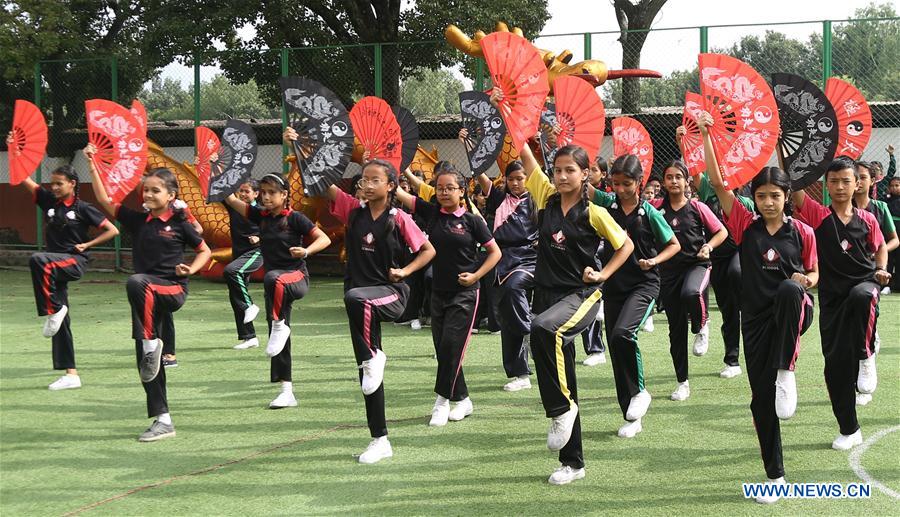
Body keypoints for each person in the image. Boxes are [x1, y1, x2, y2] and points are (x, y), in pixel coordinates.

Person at [508, 93, 633, 484]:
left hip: (580, 296)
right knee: (554, 361)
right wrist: (505, 110)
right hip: (546, 295)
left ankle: (560, 409)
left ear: (586, 173)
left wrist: (603, 276)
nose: (562, 176)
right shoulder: (544, 199)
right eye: (558, 170)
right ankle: (573, 462)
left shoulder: (594, 212)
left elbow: (625, 245)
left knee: (543, 328)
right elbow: (526, 152)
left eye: (570, 171)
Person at [699, 113, 818, 503]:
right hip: (755, 322)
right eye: (762, 195)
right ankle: (775, 476)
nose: (768, 202)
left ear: (786, 198)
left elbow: (815, 274)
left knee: (787, 289)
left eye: (776, 195)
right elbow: (718, 182)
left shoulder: (802, 231)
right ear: (755, 197)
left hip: (793, 311)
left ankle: (788, 369)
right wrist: (705, 134)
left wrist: (806, 281)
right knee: (760, 400)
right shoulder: (743, 225)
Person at [298, 128, 436, 464]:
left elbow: (428, 250)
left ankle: (375, 357)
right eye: (363, 179)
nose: (367, 184)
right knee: (367, 372)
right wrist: (299, 147)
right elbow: (319, 179)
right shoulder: (352, 210)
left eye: (375, 180)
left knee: (359, 308)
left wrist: (405, 272)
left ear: (391, 186)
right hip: (360, 302)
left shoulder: (399, 218)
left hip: (392, 295)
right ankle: (380, 439)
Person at [87, 144, 211, 442]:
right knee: (144, 361)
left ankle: (151, 343)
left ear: (171, 196)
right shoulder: (138, 220)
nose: (149, 195)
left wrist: (191, 270)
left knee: (136, 282)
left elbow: (205, 250)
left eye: (156, 191)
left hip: (171, 290)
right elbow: (104, 199)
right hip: (146, 300)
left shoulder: (181, 224)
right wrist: (92, 163)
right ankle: (163, 420)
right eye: (146, 191)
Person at [792, 157, 890, 451]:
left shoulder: (868, 219)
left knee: (863, 296)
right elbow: (795, 188)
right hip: (832, 300)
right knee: (835, 367)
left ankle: (866, 353)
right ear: (825, 185)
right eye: (833, 181)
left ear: (857, 183)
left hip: (865, 286)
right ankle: (849, 428)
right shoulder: (818, 216)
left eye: (845, 181)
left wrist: (881, 269)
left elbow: (881, 246)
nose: (839, 186)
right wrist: (784, 149)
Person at [395, 163, 501, 426]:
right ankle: (463, 399)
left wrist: (476, 276)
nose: (444, 192)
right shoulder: (432, 214)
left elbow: (495, 253)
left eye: (450, 188)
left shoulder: (473, 221)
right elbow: (400, 193)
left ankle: (441, 402)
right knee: (444, 351)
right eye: (440, 188)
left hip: (465, 295)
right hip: (438, 294)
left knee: (452, 347)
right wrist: (386, 167)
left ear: (462, 191)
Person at [9, 147, 119, 390]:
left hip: (73, 262)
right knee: (61, 321)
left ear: (72, 183)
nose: (54, 188)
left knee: (38, 260)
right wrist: (14, 152)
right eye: (52, 184)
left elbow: (113, 230)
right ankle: (71, 374)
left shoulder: (83, 208)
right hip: (53, 265)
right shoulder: (49, 201)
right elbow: (24, 179)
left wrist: (88, 244)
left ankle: (54, 308)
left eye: (59, 184)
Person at [588, 154, 681, 438]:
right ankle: (630, 417)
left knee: (622, 335)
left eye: (626, 183)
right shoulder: (607, 204)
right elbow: (584, 185)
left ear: (639, 182)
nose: (620, 189)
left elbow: (674, 245)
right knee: (616, 352)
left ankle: (640, 392)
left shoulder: (650, 213)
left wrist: (653, 262)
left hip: (644, 285)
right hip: (614, 286)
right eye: (615, 183)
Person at [223, 172, 331, 408]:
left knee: (274, 282)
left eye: (272, 192)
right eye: (263, 192)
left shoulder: (296, 218)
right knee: (280, 339)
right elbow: (230, 200)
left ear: (284, 195)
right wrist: (217, 172)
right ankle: (287, 391)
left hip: (296, 279)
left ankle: (279, 325)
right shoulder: (260, 216)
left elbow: (324, 239)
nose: (267, 197)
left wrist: (306, 252)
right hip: (275, 287)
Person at [651, 160, 728, 401]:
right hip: (668, 272)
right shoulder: (654, 207)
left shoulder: (697, 207)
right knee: (675, 331)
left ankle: (702, 324)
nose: (674, 181)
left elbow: (721, 232)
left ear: (687, 182)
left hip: (697, 264)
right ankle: (682, 382)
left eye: (678, 177)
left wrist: (708, 246)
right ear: (663, 182)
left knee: (692, 294)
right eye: (669, 177)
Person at [681, 124, 752, 379]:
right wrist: (685, 140)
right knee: (727, 308)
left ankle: (745, 354)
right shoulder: (710, 191)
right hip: (714, 257)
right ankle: (731, 359)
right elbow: (697, 170)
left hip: (737, 255)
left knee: (736, 277)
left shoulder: (744, 203)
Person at [469, 141, 540, 392]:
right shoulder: (499, 198)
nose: (516, 183)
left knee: (513, 288)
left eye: (521, 178)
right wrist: (470, 144)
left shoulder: (536, 200)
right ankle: (520, 375)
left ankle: (531, 330)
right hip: (499, 259)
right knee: (505, 318)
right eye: (512, 179)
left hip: (528, 260)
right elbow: (480, 175)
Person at [223, 180, 265, 350]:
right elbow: (225, 192)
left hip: (257, 252)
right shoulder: (235, 207)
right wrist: (216, 168)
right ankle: (250, 337)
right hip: (239, 255)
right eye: (241, 191)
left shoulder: (260, 211)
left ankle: (250, 306)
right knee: (235, 296)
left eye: (246, 191)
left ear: (256, 194)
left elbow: (275, 230)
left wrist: (260, 238)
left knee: (231, 271)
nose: (242, 194)